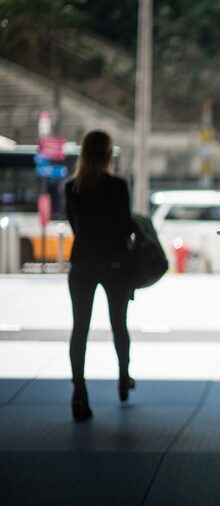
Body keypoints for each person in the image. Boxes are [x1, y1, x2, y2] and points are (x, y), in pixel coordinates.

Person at [65, 130, 136, 422]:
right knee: (119, 323)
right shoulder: (118, 186)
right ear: (108, 154)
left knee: (80, 328)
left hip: (82, 264)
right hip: (114, 264)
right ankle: (123, 376)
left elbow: (74, 225)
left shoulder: (72, 188)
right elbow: (126, 226)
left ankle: (79, 391)